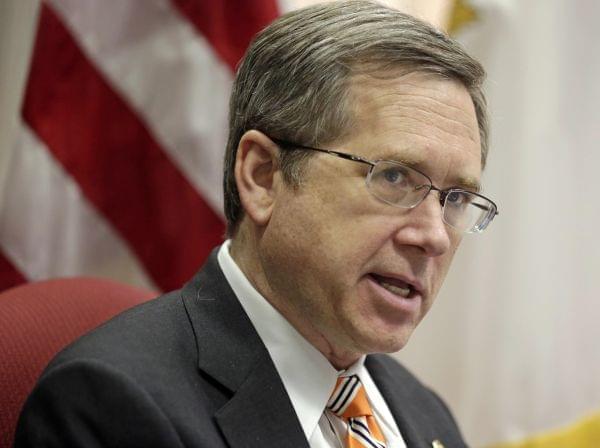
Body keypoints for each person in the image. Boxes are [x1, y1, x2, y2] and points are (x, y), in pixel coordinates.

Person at [15, 1, 498, 447]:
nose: (434, 236)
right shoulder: (114, 405)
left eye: (457, 198)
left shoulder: (425, 415)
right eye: (394, 177)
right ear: (263, 176)